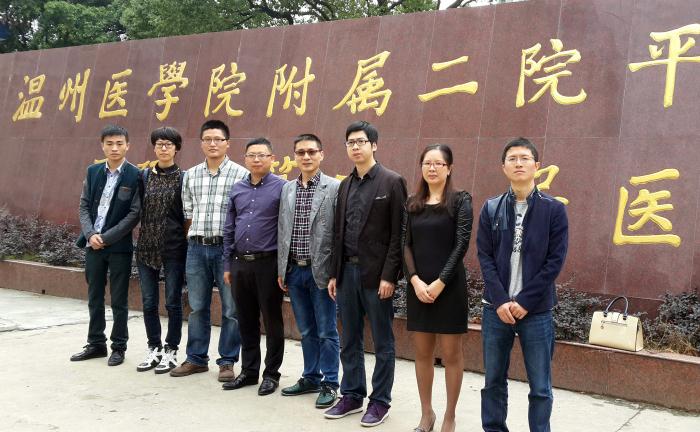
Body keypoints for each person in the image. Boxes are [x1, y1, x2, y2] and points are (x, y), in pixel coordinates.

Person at [476, 138, 569, 432]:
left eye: (525, 158)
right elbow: (485, 257)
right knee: (493, 381)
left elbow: (554, 262)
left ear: (536, 166)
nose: (519, 163)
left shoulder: (554, 210)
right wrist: (501, 300)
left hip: (536, 311)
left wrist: (525, 301)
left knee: (540, 386)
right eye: (512, 158)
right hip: (496, 310)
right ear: (503, 167)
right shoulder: (491, 208)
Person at [324, 121, 407, 427]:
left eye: (361, 141)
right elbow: (338, 233)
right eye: (350, 142)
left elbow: (399, 234)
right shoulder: (344, 185)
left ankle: (380, 401)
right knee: (349, 338)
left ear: (374, 145)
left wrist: (390, 276)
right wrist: (334, 273)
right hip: (346, 272)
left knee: (382, 341)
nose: (355, 147)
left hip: (377, 276)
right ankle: (352, 394)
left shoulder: (392, 182)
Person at [170, 120, 248, 382]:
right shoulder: (191, 175)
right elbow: (188, 213)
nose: (213, 144)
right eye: (207, 139)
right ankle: (196, 358)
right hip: (196, 248)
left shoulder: (240, 174)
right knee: (197, 307)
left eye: (218, 139)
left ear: (227, 143)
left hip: (227, 250)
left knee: (231, 309)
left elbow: (244, 215)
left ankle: (227, 361)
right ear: (201, 143)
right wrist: (193, 239)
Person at [402, 144, 473, 432]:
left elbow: (461, 245)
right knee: (422, 353)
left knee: (451, 354)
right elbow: (405, 244)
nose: (432, 168)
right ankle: (426, 414)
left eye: (438, 163)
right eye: (427, 163)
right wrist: (414, 280)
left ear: (449, 168)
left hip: (449, 288)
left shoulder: (460, 200)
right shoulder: (412, 203)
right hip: (419, 288)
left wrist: (441, 282)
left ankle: (449, 416)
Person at [277, 134, 341, 408]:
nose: (306, 157)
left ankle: (330, 382)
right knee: (306, 330)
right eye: (301, 152)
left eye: (311, 152)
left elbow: (339, 234)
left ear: (321, 154)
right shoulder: (287, 189)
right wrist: (282, 268)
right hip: (294, 271)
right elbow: (282, 229)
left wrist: (336, 272)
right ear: (294, 156)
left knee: (326, 330)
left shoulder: (334, 188)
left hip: (322, 273)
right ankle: (311, 377)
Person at [71, 124, 141, 367]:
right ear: (102, 146)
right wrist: (90, 234)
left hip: (119, 247)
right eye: (109, 144)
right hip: (93, 245)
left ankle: (118, 347)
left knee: (119, 299)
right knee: (94, 296)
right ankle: (96, 343)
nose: (114, 148)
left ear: (127, 146)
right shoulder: (93, 172)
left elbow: (134, 214)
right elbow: (83, 206)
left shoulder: (136, 175)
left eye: (119, 143)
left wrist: (107, 237)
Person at [222, 138, 286, 396]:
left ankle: (271, 374)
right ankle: (249, 372)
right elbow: (229, 228)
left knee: (272, 321)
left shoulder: (282, 188)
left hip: (268, 263)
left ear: (272, 158)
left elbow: (286, 229)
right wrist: (227, 263)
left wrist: (283, 268)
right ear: (245, 158)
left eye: (262, 155)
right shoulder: (237, 188)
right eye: (251, 155)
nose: (256, 159)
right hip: (240, 264)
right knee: (246, 320)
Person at [135, 127, 187, 374]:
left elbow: (186, 214)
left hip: (173, 248)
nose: (163, 148)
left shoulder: (184, 178)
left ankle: (171, 350)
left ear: (176, 148)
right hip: (146, 247)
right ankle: (154, 348)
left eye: (168, 144)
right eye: (159, 144)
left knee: (173, 302)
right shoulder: (144, 176)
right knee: (148, 302)